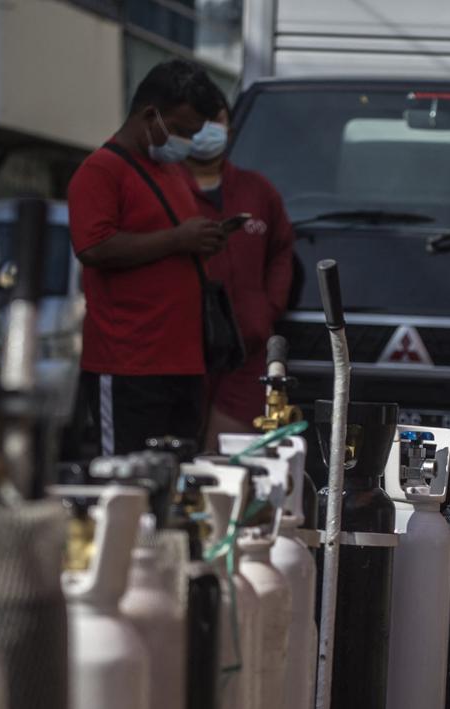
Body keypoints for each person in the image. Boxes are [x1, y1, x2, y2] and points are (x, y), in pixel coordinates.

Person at [68, 59, 225, 455]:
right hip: (128, 365)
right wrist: (178, 239)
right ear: (150, 115)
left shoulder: (172, 172)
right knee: (126, 476)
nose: (186, 143)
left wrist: (201, 240)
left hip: (184, 364)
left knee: (176, 478)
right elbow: (93, 247)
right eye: (181, 131)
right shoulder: (101, 170)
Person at [183, 81, 294, 449]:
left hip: (248, 351)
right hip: (181, 348)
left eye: (216, 120)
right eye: (199, 120)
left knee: (232, 453)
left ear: (229, 130)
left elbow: (281, 251)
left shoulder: (257, 190)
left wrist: (268, 306)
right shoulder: (165, 188)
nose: (207, 130)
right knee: (180, 450)